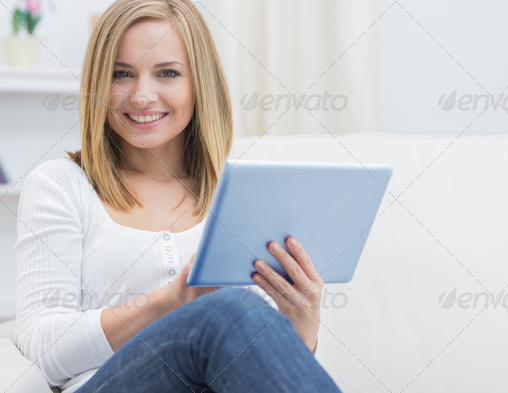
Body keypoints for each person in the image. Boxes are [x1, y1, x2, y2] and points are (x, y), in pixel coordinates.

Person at [13, 0, 342, 392]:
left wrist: (302, 328)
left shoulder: (241, 195)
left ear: (199, 83)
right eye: (121, 75)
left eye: (167, 73)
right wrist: (165, 304)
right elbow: (41, 348)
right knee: (227, 311)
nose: (141, 96)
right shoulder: (60, 185)